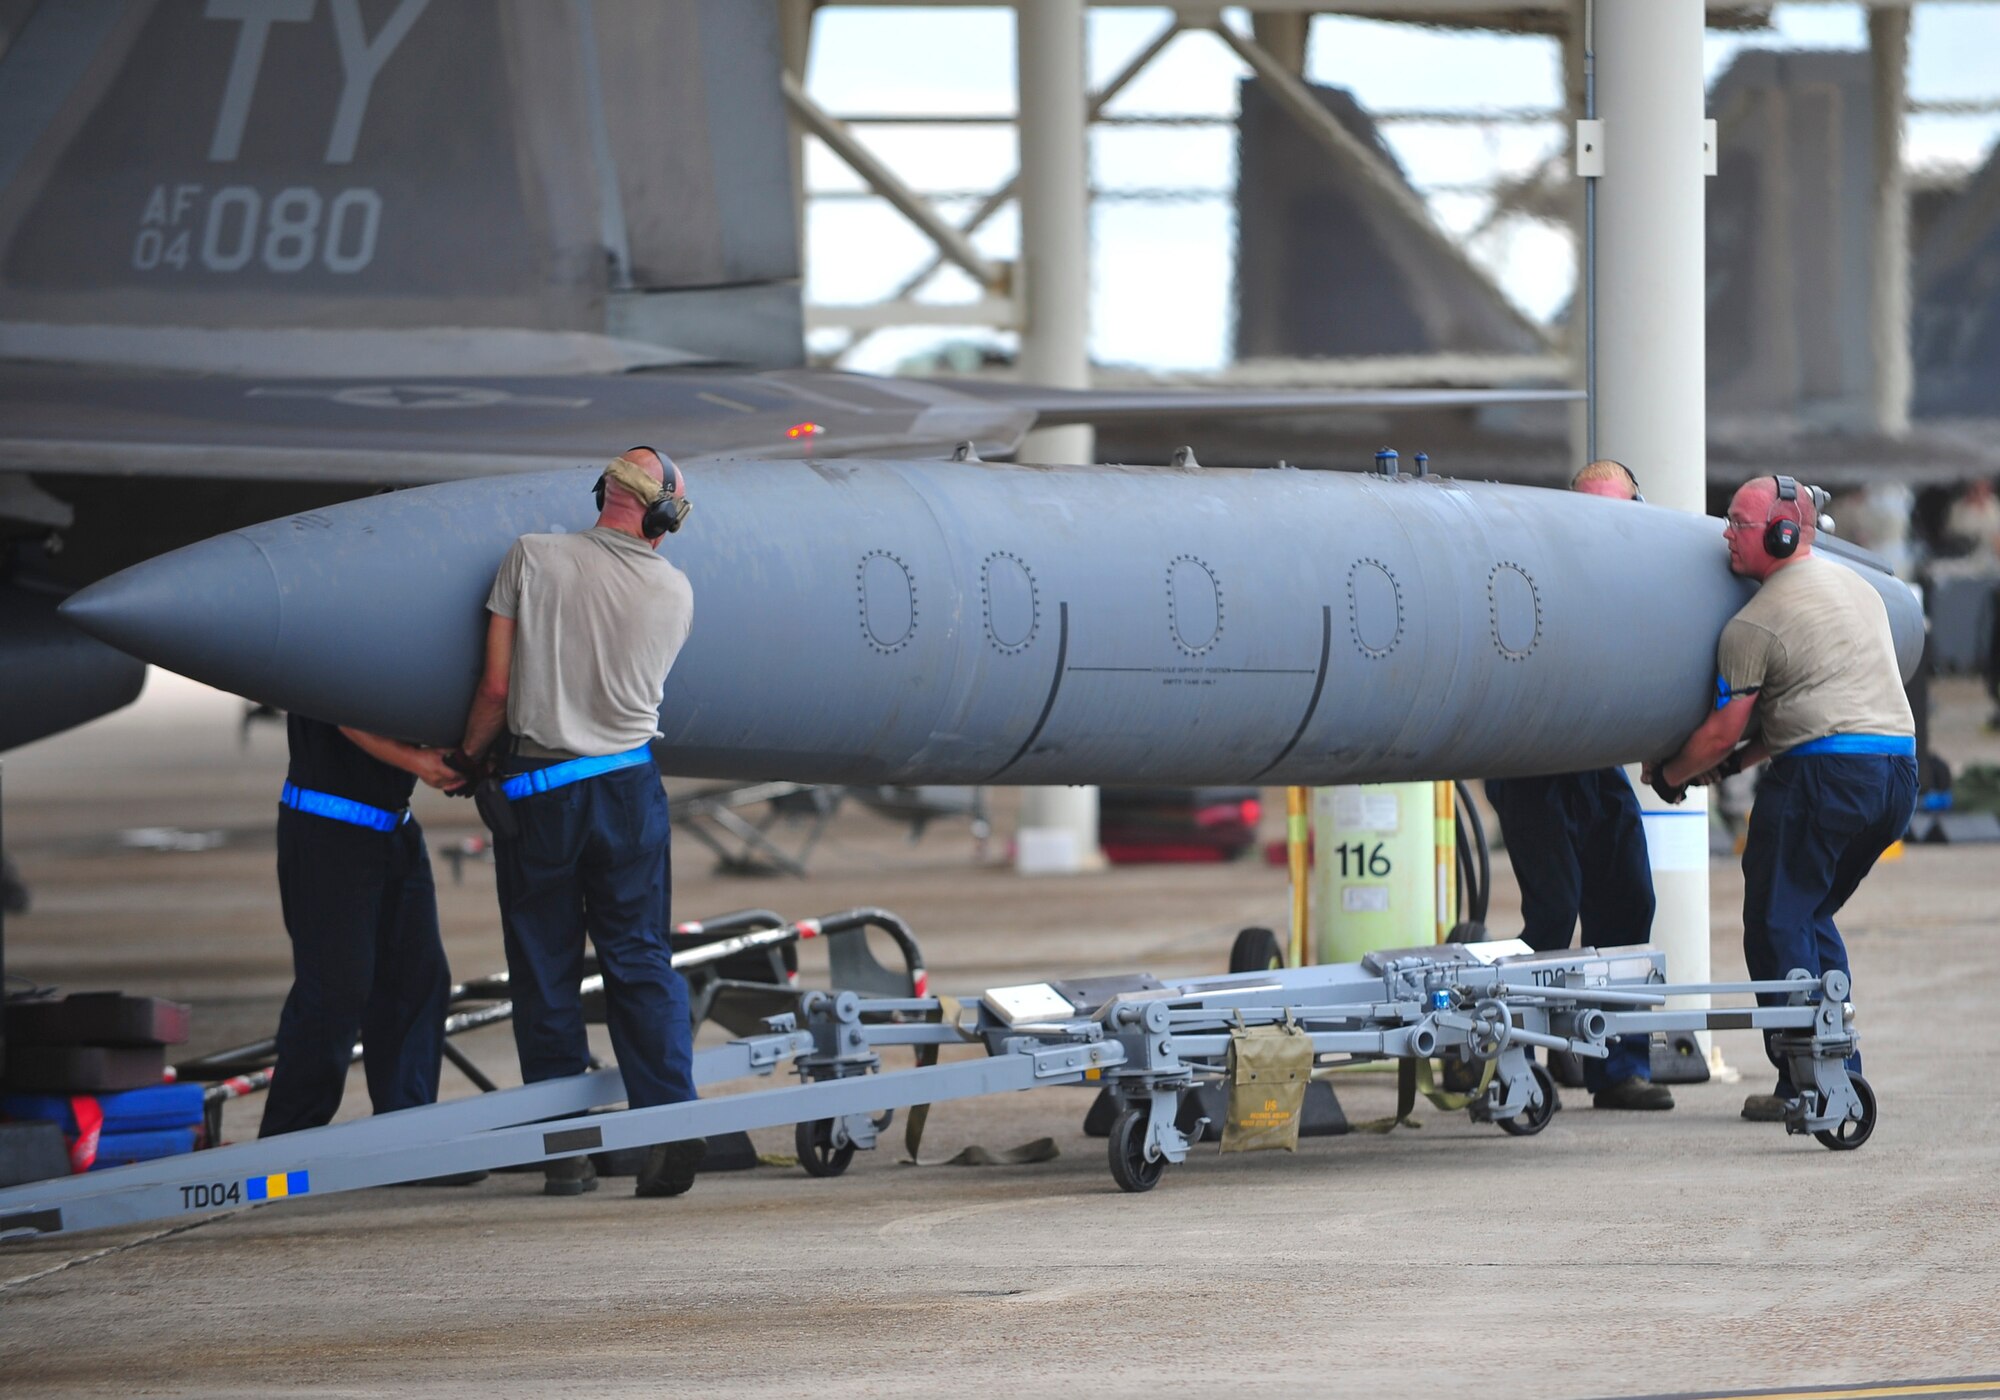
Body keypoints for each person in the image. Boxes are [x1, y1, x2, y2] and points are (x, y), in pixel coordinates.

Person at [452, 447, 700, 1198]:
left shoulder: (532, 557)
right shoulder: (675, 590)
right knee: (640, 958)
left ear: (602, 492)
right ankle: (671, 1128)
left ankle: (566, 1153)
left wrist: (467, 759)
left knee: (545, 969)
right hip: (629, 790)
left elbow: (496, 689)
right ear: (662, 519)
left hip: (543, 790)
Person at [1646, 474, 1916, 1122]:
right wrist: (1732, 765)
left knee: (1777, 922)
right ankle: (1838, 1069)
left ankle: (1808, 1082)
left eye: (1738, 523)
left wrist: (1671, 776)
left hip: (1823, 780)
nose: (1726, 535)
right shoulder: (1859, 589)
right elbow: (1800, 712)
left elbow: (1723, 730)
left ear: (1783, 533)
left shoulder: (1754, 623)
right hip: (1895, 777)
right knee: (1809, 915)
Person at [1482, 460, 1671, 1111]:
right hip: (1531, 764)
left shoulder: (1644, 581)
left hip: (1596, 763)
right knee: (1554, 913)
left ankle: (1618, 1068)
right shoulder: (1533, 572)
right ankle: (1517, 1060)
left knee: (1628, 901)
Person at [261, 716, 460, 1140]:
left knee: (417, 980)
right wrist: (419, 762)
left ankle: (407, 1136)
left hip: (394, 826)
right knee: (335, 994)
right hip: (328, 829)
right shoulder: (331, 669)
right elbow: (340, 709)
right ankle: (285, 1143)